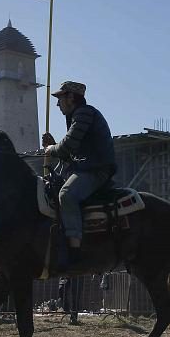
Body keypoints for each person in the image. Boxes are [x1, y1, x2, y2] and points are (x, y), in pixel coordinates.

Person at [41, 81, 116, 266]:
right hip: (86, 167)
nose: (57, 104)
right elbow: (71, 153)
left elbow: (67, 146)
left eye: (60, 98)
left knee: (66, 194)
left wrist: (51, 149)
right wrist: (55, 146)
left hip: (96, 170)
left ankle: (74, 249)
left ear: (71, 98)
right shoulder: (78, 115)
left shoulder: (83, 113)